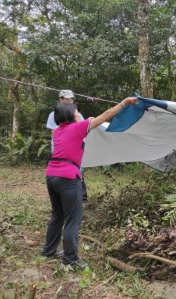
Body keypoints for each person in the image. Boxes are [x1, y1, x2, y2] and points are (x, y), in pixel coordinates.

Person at [42, 96, 139, 270]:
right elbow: (107, 114)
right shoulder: (78, 128)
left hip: (51, 175)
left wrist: (87, 122)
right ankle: (70, 259)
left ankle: (49, 250)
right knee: (73, 219)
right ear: (70, 116)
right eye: (76, 112)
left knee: (57, 215)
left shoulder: (58, 132)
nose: (79, 113)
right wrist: (124, 102)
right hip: (68, 177)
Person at [46, 90, 88, 204]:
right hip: (60, 151)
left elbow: (84, 130)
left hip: (75, 149)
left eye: (71, 99)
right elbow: (55, 133)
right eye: (66, 99)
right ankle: (62, 199)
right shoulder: (54, 114)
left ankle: (82, 198)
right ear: (60, 100)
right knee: (60, 175)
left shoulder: (77, 114)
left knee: (79, 173)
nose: (69, 101)